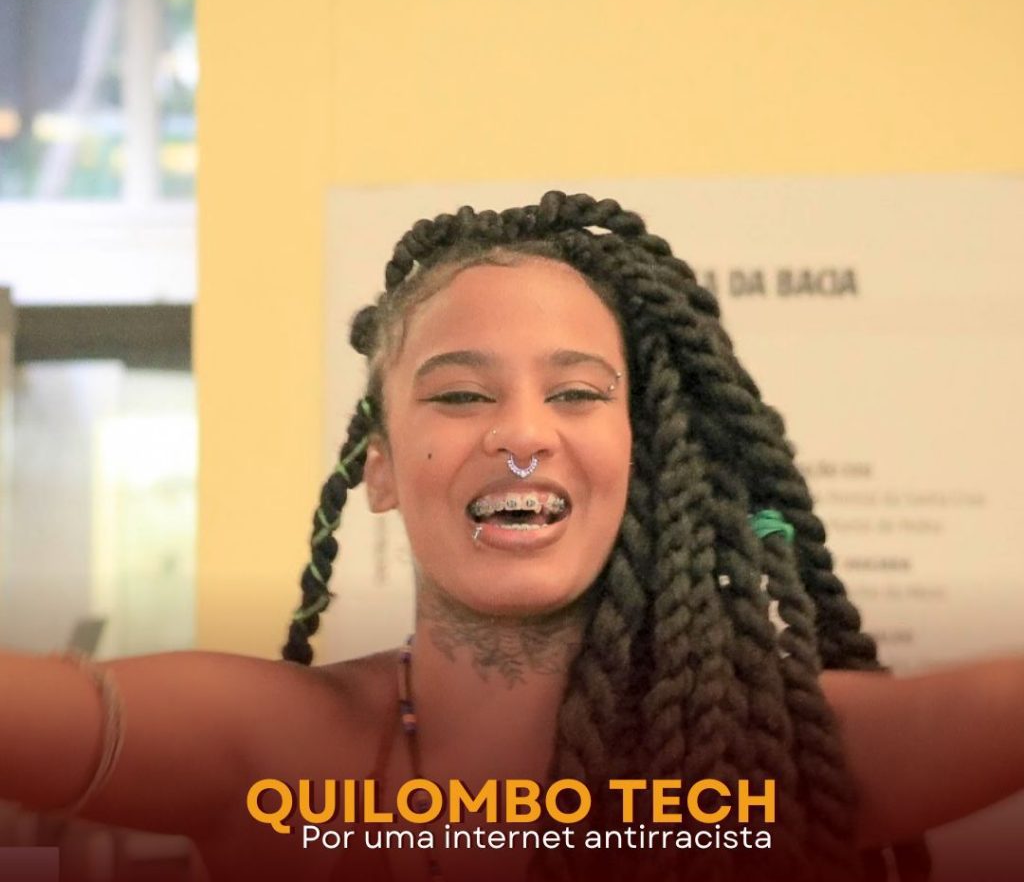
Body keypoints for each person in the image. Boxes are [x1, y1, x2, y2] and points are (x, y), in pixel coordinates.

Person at [2, 192, 1022, 882]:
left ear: (641, 455)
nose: (524, 434)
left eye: (576, 392)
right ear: (382, 469)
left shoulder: (785, 747)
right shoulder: (266, 744)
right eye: (460, 394)